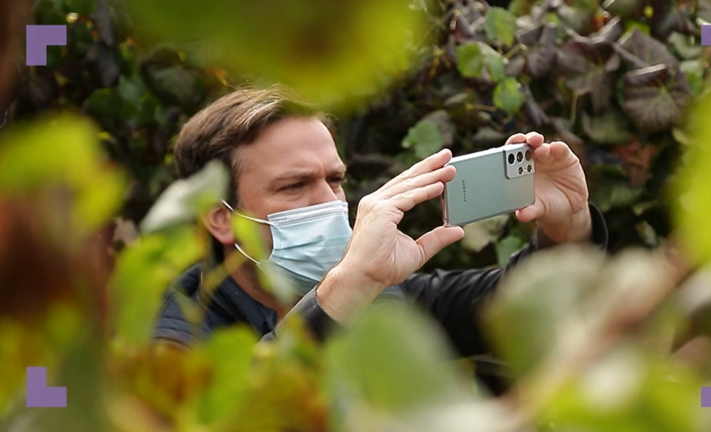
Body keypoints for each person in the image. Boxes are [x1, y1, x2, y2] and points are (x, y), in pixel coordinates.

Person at [152, 86, 609, 360]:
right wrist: (344, 292)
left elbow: (512, 309)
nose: (329, 203)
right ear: (220, 218)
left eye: (335, 180)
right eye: (294, 187)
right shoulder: (172, 337)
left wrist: (568, 228)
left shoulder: (382, 297)